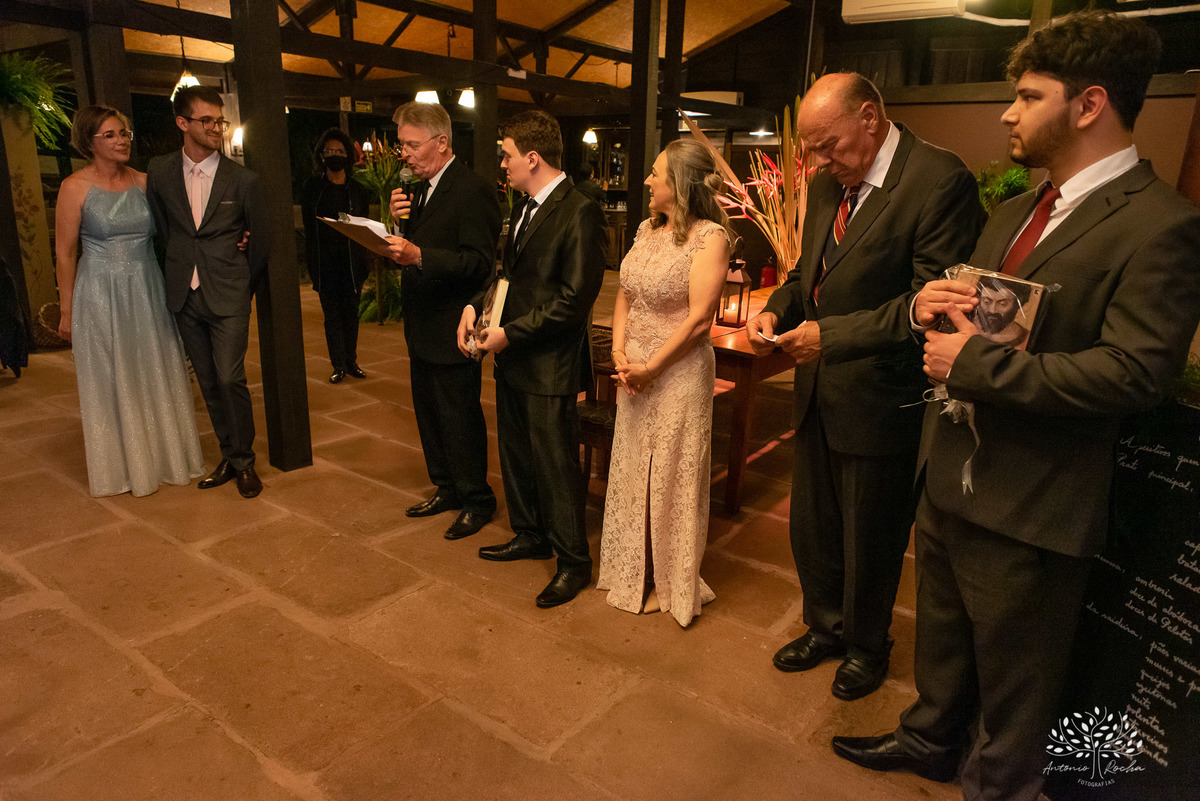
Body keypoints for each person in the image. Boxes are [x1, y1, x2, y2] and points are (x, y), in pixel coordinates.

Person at [831, 12, 1200, 801]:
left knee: (1016, 690)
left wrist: (978, 364)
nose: (1008, 112)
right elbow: (994, 322)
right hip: (953, 475)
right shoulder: (1015, 211)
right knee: (941, 640)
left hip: (1033, 500)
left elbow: (1136, 374)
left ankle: (994, 786)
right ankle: (931, 736)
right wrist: (941, 305)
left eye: (1028, 96)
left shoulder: (1160, 224)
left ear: (1089, 103)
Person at [746, 73, 982, 700]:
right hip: (819, 389)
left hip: (882, 396)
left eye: (829, 146)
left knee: (870, 533)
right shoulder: (831, 183)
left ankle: (866, 646)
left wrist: (829, 336)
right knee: (814, 526)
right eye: (814, 151)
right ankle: (824, 628)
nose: (821, 163)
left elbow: (932, 304)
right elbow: (806, 272)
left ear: (870, 117)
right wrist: (778, 306)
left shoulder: (939, 181)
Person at [460, 110, 606, 608]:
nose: (502, 164)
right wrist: (475, 313)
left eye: (506, 155)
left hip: (549, 363)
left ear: (532, 157)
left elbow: (573, 299)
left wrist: (509, 334)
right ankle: (529, 533)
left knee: (555, 464)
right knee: (518, 455)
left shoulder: (579, 210)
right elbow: (508, 279)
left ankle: (573, 562)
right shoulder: (522, 207)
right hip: (512, 354)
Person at [596, 139, 731, 627]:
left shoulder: (710, 237)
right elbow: (625, 296)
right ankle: (634, 569)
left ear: (681, 185)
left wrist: (652, 367)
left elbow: (699, 321)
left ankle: (670, 580)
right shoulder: (645, 230)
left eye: (656, 174)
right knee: (634, 468)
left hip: (676, 374)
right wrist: (618, 354)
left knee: (672, 472)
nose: (648, 181)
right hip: (633, 372)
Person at [54, 104, 204, 497]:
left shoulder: (144, 182)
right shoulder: (75, 188)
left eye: (124, 133)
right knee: (111, 375)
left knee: (155, 367)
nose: (122, 141)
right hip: (100, 292)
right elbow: (65, 253)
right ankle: (123, 468)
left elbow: (183, 227)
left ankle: (166, 457)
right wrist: (67, 311)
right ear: (90, 142)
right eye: (111, 135)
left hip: (147, 286)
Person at [385, 102, 502, 541]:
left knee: (459, 418)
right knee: (429, 414)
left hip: (455, 323)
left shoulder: (471, 189)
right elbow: (414, 250)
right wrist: (394, 227)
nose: (406, 155)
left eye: (413, 145)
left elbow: (479, 264)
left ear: (442, 143)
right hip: (422, 322)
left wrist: (419, 255)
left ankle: (477, 498)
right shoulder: (418, 190)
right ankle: (447, 487)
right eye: (402, 146)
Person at [146, 85, 269, 499]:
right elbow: (165, 233)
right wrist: (182, 268)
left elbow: (261, 242)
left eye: (220, 121)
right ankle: (229, 456)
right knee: (209, 384)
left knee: (231, 376)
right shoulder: (160, 172)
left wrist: (239, 281)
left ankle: (246, 462)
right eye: (207, 121)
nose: (216, 128)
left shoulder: (243, 178)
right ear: (183, 123)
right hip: (185, 292)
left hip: (229, 292)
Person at [301, 128, 370, 384]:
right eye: (329, 151)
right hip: (325, 263)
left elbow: (364, 225)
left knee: (351, 314)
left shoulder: (357, 190)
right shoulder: (313, 188)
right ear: (321, 155)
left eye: (339, 151)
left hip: (352, 263)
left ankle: (351, 361)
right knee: (332, 316)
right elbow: (309, 227)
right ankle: (338, 364)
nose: (334, 155)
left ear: (348, 156)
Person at [971, 277, 1030, 348]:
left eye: (1003, 304)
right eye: (986, 302)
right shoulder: (966, 325)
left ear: (1017, 305)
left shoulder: (1028, 339)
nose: (992, 310)